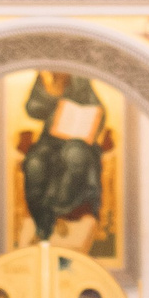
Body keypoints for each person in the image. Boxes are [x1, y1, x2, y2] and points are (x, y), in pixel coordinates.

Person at [20, 72, 106, 246]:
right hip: (51, 140)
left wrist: (88, 124)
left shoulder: (81, 80)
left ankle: (56, 213)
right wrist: (51, 95)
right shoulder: (45, 80)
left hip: (79, 140)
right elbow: (33, 109)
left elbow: (99, 112)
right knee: (34, 164)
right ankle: (42, 221)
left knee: (74, 156)